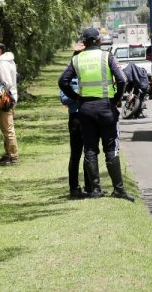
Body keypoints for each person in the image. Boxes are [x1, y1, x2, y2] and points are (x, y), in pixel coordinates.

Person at [58, 28, 133, 201]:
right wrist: (116, 98)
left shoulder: (77, 59)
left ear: (84, 42)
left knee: (90, 149)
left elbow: (63, 81)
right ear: (99, 41)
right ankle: (118, 189)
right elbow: (122, 79)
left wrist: (76, 97)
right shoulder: (107, 56)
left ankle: (96, 190)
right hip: (106, 106)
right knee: (110, 148)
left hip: (86, 108)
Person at [59, 43, 100, 199]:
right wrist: (78, 94)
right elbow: (63, 98)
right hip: (76, 117)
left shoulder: (91, 74)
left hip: (90, 116)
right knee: (76, 154)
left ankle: (90, 186)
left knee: (90, 152)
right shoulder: (68, 77)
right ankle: (74, 188)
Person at [0, 42, 19, 166]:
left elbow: (7, 83)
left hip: (5, 99)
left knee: (8, 129)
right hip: (8, 97)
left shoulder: (2, 64)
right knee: (5, 128)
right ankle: (8, 154)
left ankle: (13, 157)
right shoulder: (6, 62)